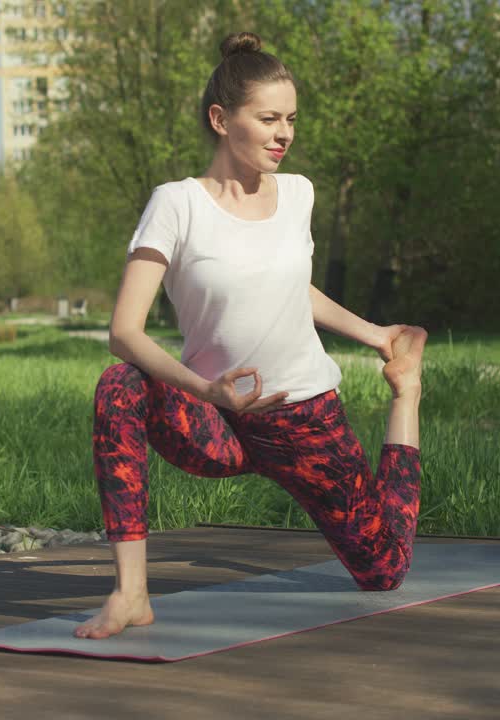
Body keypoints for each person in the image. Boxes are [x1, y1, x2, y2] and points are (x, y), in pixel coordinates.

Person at [75, 31, 428, 640]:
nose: (283, 133)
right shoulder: (176, 205)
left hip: (304, 419)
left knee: (384, 570)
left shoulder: (298, 194)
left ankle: (409, 394)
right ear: (221, 119)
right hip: (219, 419)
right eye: (267, 118)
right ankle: (131, 591)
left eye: (290, 119)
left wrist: (376, 335)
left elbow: (288, 287)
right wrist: (206, 392)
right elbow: (124, 332)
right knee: (119, 385)